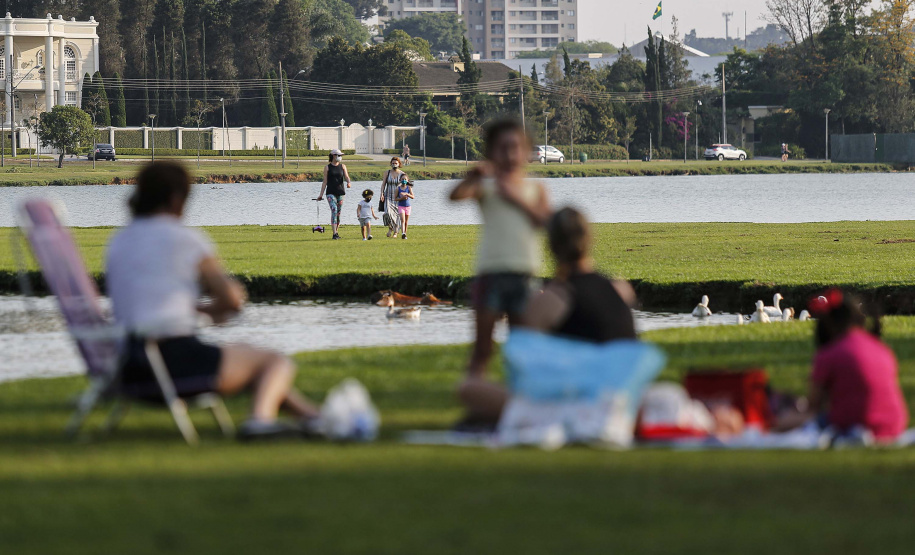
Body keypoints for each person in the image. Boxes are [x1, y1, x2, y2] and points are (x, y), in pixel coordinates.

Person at [106, 162, 319, 439]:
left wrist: (195, 310)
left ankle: (318, 420)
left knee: (254, 365)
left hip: (129, 366)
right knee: (273, 362)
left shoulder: (120, 241)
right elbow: (231, 299)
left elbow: (146, 301)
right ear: (176, 199)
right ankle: (260, 422)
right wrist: (215, 308)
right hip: (175, 363)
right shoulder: (185, 239)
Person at [457, 207, 638, 424]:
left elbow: (525, 373)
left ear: (550, 245)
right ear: (590, 239)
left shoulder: (550, 300)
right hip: (623, 400)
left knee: (469, 388)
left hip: (575, 405)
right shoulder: (621, 289)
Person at [450, 118, 551, 379]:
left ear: (526, 151)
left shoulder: (535, 188)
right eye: (502, 148)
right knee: (483, 347)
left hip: (524, 273)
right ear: (491, 152)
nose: (509, 154)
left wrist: (515, 197)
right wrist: (472, 176)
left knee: (523, 346)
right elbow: (455, 197)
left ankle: (521, 402)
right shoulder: (486, 187)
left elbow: (545, 221)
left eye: (515, 147)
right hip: (491, 272)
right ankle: (475, 393)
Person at [775, 290, 909, 442]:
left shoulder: (829, 354)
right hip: (894, 425)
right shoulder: (882, 350)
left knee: (787, 420)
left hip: (851, 423)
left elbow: (814, 406)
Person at [316, 148, 352, 240]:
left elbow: (347, 176)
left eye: (340, 156)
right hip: (330, 192)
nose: (339, 157)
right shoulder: (327, 167)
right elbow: (325, 182)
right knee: (334, 210)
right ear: (333, 156)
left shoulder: (343, 166)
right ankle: (334, 233)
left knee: (338, 213)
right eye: (338, 155)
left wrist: (348, 182)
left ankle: (336, 232)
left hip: (340, 192)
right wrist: (321, 194)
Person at [380, 157, 407, 238]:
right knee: (388, 213)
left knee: (397, 215)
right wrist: (381, 193)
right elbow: (383, 184)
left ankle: (395, 232)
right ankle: (391, 228)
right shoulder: (387, 173)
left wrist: (405, 194)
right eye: (393, 163)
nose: (394, 164)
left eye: (396, 163)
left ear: (399, 164)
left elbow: (405, 185)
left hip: (397, 197)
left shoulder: (402, 174)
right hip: (388, 195)